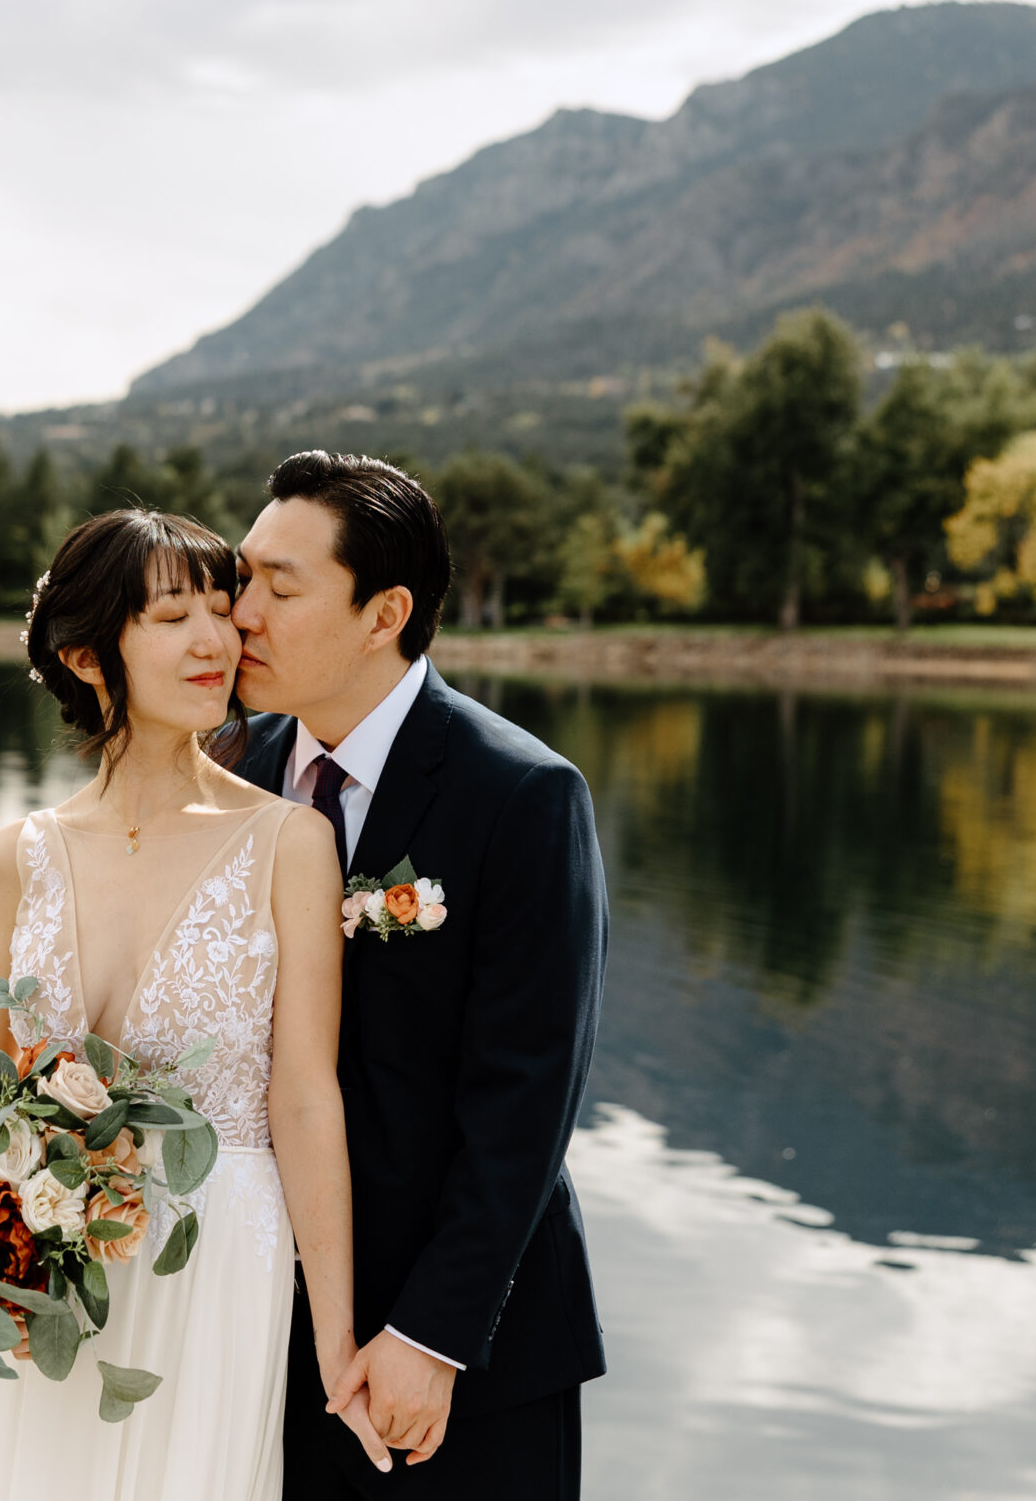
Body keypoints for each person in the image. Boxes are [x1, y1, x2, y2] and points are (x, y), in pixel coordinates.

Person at [0, 508, 390, 1501]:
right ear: (89, 654)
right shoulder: (19, 854)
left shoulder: (290, 840)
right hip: (37, 1271)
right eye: (173, 615)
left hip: (216, 1254)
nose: (215, 639)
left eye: (220, 611)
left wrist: (335, 1338)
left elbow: (305, 1096)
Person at [231, 450, 607, 1500]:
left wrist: (430, 1334)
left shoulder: (522, 793)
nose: (240, 612)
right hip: (268, 1329)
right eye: (240, 575)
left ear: (383, 610)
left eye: (279, 585)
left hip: (465, 1355)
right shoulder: (228, 771)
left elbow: (527, 1096)